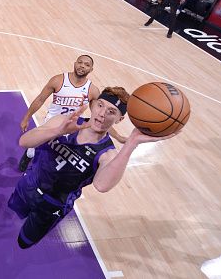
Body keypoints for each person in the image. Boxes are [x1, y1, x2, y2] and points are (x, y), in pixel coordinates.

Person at [9, 87, 178, 249]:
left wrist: (131, 143)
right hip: (28, 183)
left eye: (111, 111)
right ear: (93, 105)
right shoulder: (63, 121)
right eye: (100, 105)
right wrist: (57, 131)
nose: (102, 113)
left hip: (52, 205)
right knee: (15, 210)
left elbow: (102, 185)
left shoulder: (107, 154)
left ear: (119, 119)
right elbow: (24, 141)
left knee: (23, 243)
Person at [18, 55, 127, 172]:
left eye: (87, 65)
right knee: (36, 147)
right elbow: (40, 99)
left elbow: (98, 117)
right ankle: (28, 156)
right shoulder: (58, 80)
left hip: (73, 127)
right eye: (80, 62)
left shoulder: (92, 90)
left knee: (60, 157)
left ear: (91, 69)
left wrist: (118, 137)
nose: (82, 66)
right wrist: (26, 118)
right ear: (75, 63)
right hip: (51, 122)